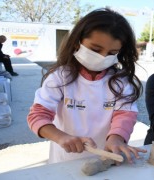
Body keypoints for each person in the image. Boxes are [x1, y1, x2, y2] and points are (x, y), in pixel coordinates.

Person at [27, 8, 146, 164]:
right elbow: (37, 116)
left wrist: (117, 138)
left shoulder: (120, 82)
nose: (102, 57)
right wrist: (62, 137)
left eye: (112, 53)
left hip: (106, 158)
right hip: (64, 162)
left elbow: (125, 115)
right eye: (95, 49)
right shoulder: (60, 77)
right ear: (77, 42)